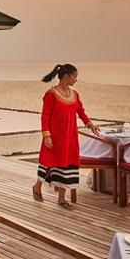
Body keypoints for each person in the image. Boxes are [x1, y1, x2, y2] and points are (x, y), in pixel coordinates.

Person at [33, 63, 99, 210]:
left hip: (70, 137)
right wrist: (46, 136)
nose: (76, 80)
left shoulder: (74, 95)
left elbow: (81, 112)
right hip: (54, 137)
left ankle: (61, 199)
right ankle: (37, 187)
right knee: (48, 164)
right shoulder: (51, 94)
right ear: (66, 76)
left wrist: (91, 124)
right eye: (75, 76)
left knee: (66, 165)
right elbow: (45, 117)